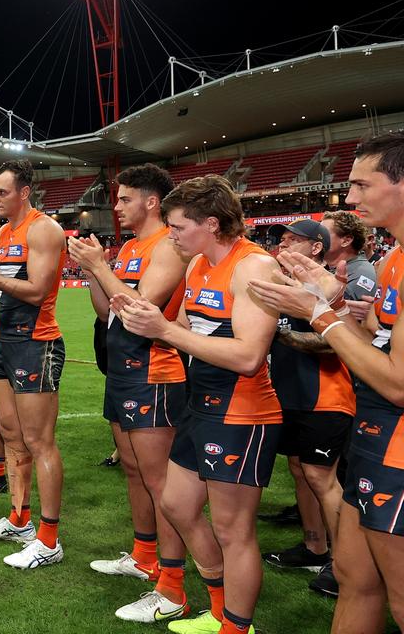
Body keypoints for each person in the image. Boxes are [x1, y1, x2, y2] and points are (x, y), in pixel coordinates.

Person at [249, 133, 404, 633]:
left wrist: (318, 314)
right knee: (356, 579)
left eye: (362, 185)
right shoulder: (393, 259)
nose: (351, 199)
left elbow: (399, 384)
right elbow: (375, 344)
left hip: (398, 447)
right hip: (373, 439)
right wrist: (337, 306)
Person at [118, 174, 282, 634]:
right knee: (176, 504)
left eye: (176, 227)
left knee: (234, 530)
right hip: (201, 404)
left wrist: (165, 330)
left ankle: (236, 626)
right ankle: (216, 606)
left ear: (210, 223)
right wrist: (152, 321)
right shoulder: (197, 266)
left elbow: (250, 356)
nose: (170, 236)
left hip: (243, 411)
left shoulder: (253, 266)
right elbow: (187, 331)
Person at [70, 164, 193, 622]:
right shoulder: (129, 247)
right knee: (134, 471)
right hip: (122, 367)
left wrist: (102, 267)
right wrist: (93, 274)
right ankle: (144, 557)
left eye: (124, 199)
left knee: (161, 480)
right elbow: (109, 312)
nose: (116, 206)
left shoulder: (169, 244)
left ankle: (173, 584)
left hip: (155, 371)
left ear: (151, 201)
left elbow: (141, 307)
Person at [0, 160, 68, 570]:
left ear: (23, 192)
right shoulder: (3, 232)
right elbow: (0, 291)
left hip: (37, 343)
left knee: (40, 442)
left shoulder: (44, 229)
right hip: (7, 340)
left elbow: (37, 291)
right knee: (10, 434)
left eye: (1, 192)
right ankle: (21, 519)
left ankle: (50, 539)